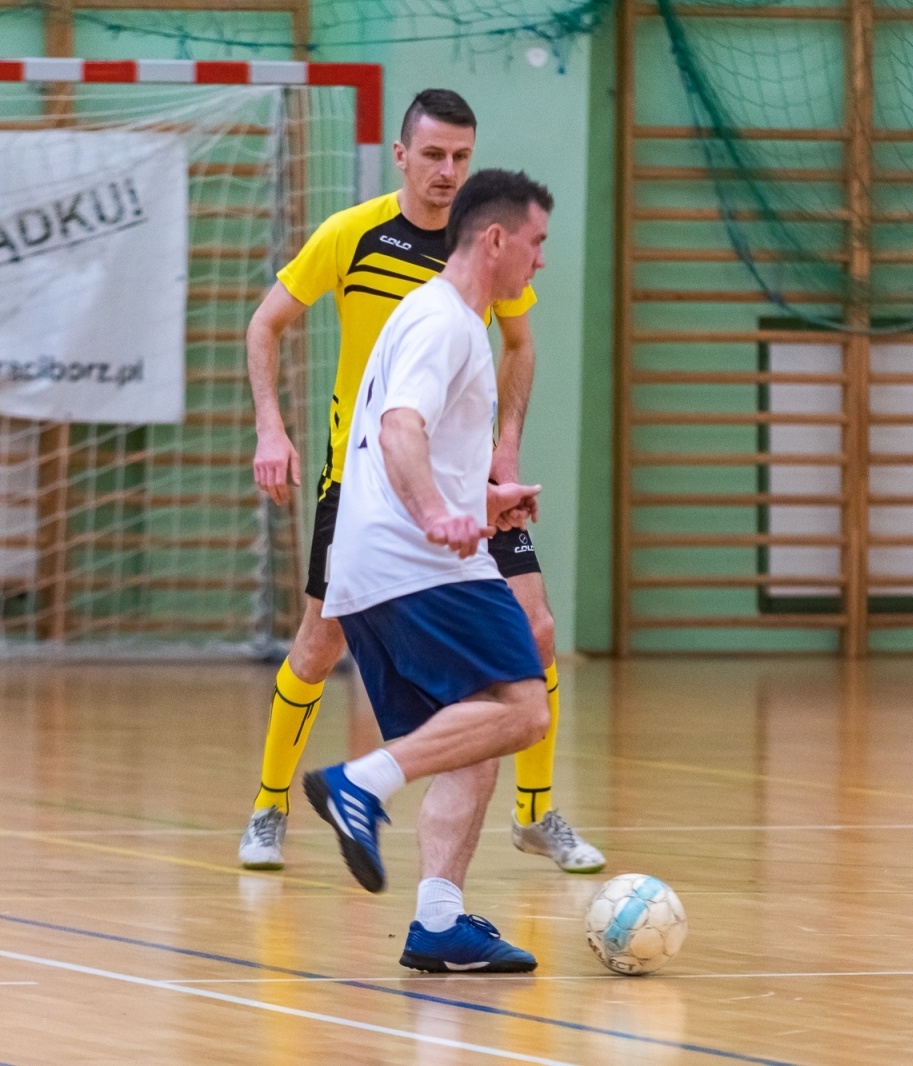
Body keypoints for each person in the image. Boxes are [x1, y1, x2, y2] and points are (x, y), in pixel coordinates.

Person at [238, 89, 602, 875]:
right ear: (400, 155)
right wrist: (273, 426)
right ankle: (271, 804)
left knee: (535, 631)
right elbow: (265, 323)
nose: (447, 171)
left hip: (468, 490)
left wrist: (507, 448)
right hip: (371, 483)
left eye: (461, 156)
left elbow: (521, 346)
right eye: (433, 155)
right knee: (317, 643)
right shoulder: (353, 234)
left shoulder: (486, 244)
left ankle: (534, 816)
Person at [305, 168, 556, 972]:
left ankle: (439, 923)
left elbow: (407, 448)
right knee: (524, 710)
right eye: (536, 243)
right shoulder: (447, 323)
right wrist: (436, 517)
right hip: (418, 562)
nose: (540, 262)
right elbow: (400, 425)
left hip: (376, 563)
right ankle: (360, 784)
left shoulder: (445, 319)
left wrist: (485, 503)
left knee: (472, 731)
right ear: (495, 239)